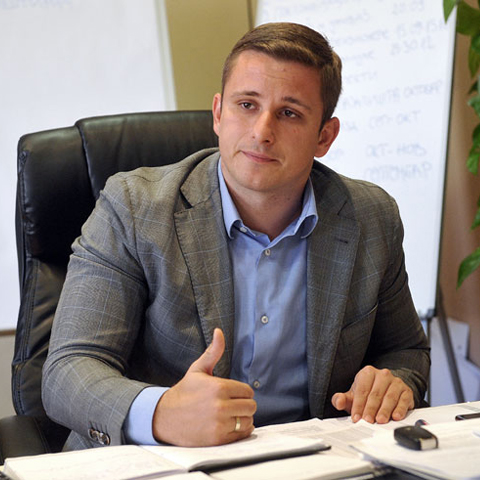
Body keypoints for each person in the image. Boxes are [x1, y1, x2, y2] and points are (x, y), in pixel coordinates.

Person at [42, 22, 430, 450]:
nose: (262, 131)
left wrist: (394, 382)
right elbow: (68, 371)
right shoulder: (135, 208)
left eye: (289, 113)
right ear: (218, 113)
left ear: (324, 136)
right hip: (164, 461)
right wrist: (159, 413)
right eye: (247, 104)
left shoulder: (371, 218)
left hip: (315, 461)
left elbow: (407, 352)